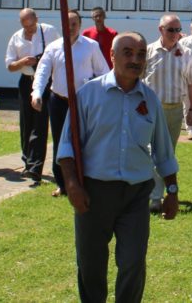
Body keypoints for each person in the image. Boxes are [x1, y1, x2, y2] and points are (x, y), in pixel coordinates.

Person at [56, 31, 180, 303]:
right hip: (94, 194)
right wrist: (72, 185)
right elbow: (67, 147)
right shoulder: (88, 95)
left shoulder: (149, 99)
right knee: (91, 266)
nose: (135, 60)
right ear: (112, 56)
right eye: (127, 53)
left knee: (134, 262)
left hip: (136, 195)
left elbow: (163, 151)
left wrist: (171, 190)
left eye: (140, 54)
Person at [32, 10, 108, 196]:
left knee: (83, 141)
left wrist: (102, 95)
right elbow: (42, 71)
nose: (71, 27)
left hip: (83, 102)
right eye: (67, 24)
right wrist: (36, 93)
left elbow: (103, 73)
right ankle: (63, 184)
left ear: (80, 25)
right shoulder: (54, 47)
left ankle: (84, 180)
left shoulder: (91, 46)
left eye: (74, 24)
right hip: (58, 100)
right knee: (60, 142)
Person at [144, 14, 192, 211]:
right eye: (171, 30)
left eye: (178, 30)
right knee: (151, 152)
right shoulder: (148, 51)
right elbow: (138, 82)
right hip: (151, 110)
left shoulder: (187, 54)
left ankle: (161, 193)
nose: (176, 34)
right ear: (161, 30)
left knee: (167, 153)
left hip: (175, 109)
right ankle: (155, 196)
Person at [4, 8, 60, 182]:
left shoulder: (49, 31)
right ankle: (27, 161)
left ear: (37, 19)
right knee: (26, 123)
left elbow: (60, 54)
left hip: (44, 82)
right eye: (25, 25)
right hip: (25, 81)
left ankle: (35, 167)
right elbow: (10, 66)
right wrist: (23, 62)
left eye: (31, 24)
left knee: (40, 123)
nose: (29, 29)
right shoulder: (16, 38)